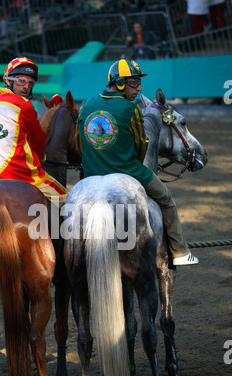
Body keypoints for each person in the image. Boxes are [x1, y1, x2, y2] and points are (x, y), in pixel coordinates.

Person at [75, 59, 198, 266]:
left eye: (139, 82)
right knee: (167, 200)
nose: (139, 88)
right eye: (133, 82)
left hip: (91, 175)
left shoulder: (87, 104)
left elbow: (79, 143)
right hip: (128, 172)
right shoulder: (130, 109)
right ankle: (179, 252)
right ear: (119, 82)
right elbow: (141, 148)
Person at [0, 57, 68, 203]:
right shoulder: (24, 105)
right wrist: (42, 157)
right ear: (8, 81)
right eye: (20, 80)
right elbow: (38, 142)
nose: (26, 86)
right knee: (70, 201)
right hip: (21, 177)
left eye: (30, 83)